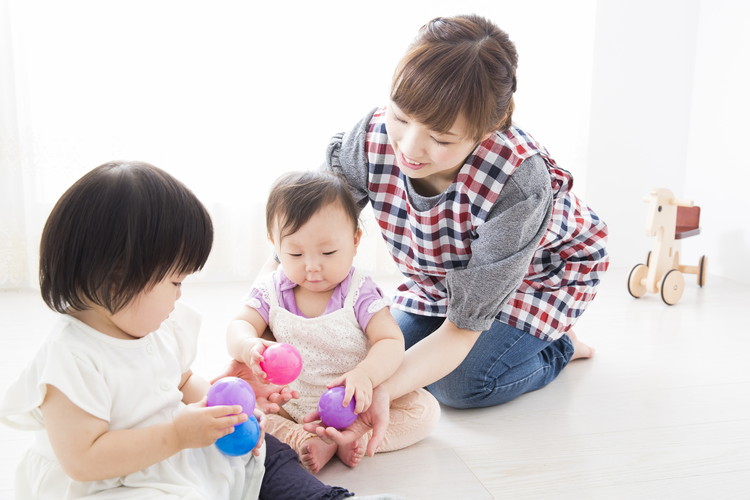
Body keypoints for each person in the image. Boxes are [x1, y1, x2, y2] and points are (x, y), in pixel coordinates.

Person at [306, 14, 609, 454]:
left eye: (442, 139)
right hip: (448, 277)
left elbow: (462, 330)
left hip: (537, 278)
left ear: (490, 127)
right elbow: (306, 234)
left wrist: (384, 392)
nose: (410, 148)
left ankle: (558, 347)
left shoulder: (517, 181)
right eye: (400, 117)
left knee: (460, 385)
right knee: (369, 350)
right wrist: (260, 330)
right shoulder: (370, 138)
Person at [0, 161, 362, 499]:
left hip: (172, 454)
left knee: (268, 452)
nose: (180, 293)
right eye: (174, 281)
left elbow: (182, 381)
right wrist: (175, 435)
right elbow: (83, 460)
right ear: (117, 281)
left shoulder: (159, 328)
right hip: (111, 482)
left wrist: (230, 405)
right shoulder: (71, 357)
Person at [224, 170, 440, 474]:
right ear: (275, 244)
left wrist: (365, 375)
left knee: (424, 410)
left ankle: (356, 435)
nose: (312, 266)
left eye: (328, 252)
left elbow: (390, 340)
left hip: (355, 403)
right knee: (255, 414)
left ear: (354, 241)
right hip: (292, 401)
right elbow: (239, 325)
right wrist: (247, 344)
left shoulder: (359, 290)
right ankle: (307, 439)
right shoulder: (271, 289)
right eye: (296, 253)